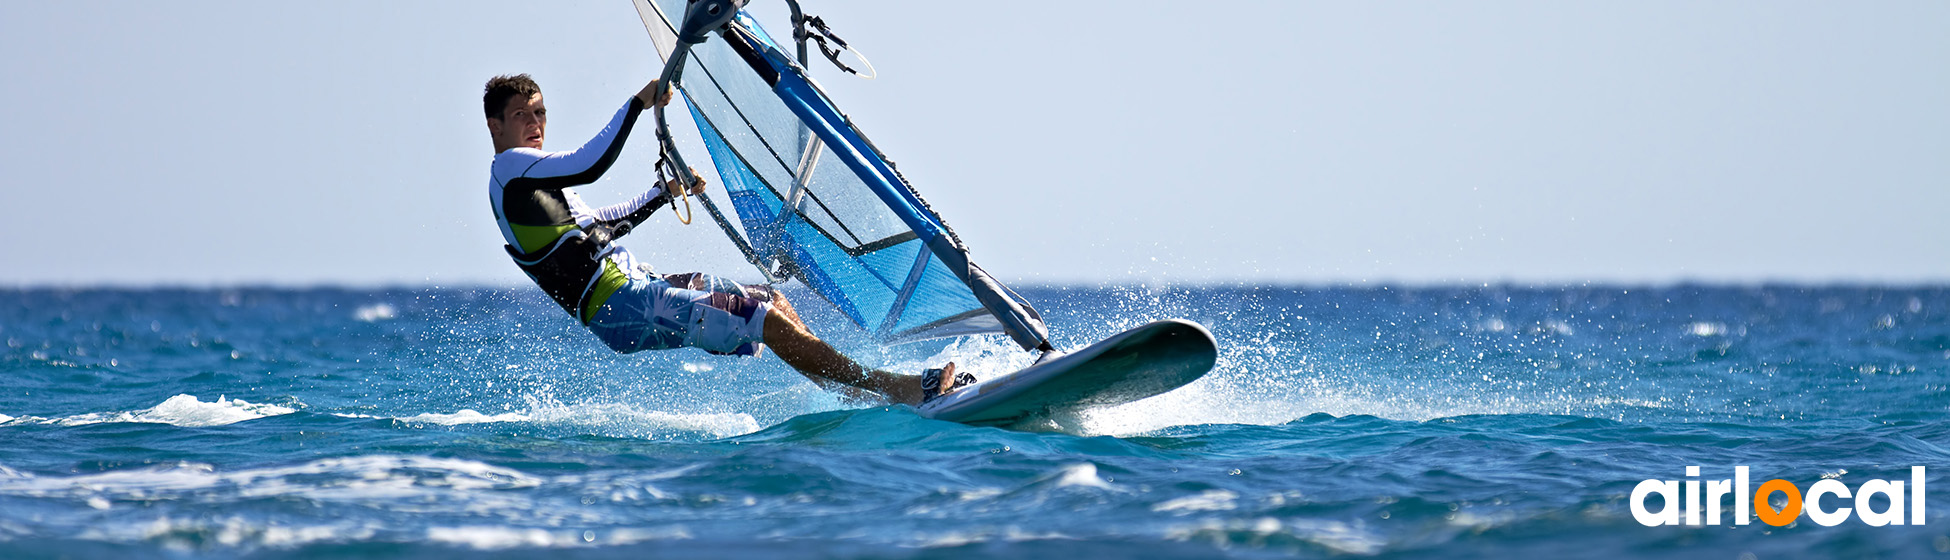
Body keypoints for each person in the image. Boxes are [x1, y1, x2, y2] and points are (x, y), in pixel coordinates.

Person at [483, 74, 971, 406]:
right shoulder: (510, 169)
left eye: (540, 113)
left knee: (769, 301)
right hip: (620, 304)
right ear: (495, 126)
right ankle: (900, 390)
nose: (535, 124)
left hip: (633, 288)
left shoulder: (533, 178)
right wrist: (637, 104)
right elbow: (591, 163)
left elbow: (598, 227)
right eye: (522, 116)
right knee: (763, 321)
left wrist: (661, 194)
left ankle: (853, 390)